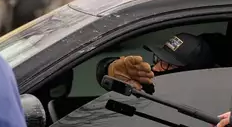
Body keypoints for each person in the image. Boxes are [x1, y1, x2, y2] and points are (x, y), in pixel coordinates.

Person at [95, 32, 223, 92]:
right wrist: (110, 68)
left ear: (188, 73)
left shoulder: (194, 101)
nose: (155, 67)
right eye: (158, 59)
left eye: (167, 64)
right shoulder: (154, 83)